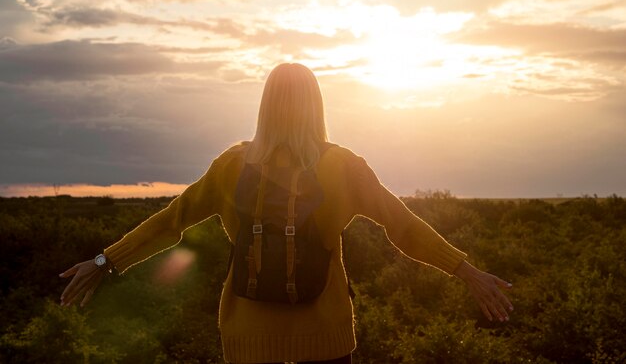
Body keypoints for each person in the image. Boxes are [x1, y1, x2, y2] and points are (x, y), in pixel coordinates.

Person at [60, 63, 513, 364]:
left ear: (264, 106)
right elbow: (404, 227)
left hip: (248, 340)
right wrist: (467, 271)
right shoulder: (341, 167)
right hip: (326, 337)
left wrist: (105, 261)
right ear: (316, 106)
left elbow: (170, 221)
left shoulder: (232, 165)